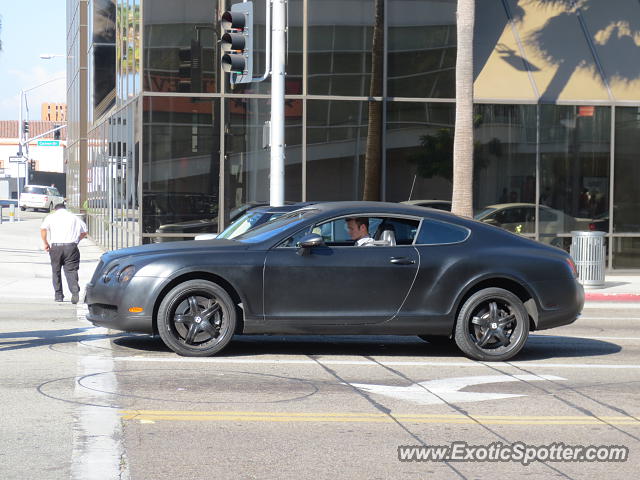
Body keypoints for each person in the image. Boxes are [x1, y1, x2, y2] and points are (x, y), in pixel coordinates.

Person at [40, 203, 88, 303]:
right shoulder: (74, 217)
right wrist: (77, 240)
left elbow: (43, 229)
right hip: (71, 247)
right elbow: (84, 231)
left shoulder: (51, 217)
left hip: (56, 247)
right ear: (65, 208)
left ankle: (58, 296)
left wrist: (45, 243)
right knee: (71, 271)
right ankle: (74, 291)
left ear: (55, 209)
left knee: (56, 271)